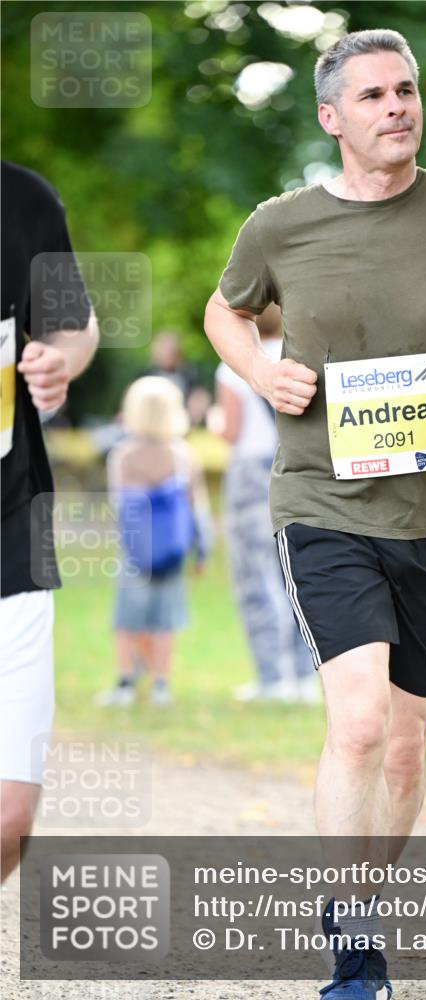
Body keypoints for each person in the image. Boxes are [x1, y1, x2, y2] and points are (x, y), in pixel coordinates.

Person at [204, 29, 426, 998]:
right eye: (372, 97)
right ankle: (357, 954)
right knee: (355, 724)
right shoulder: (279, 226)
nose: (396, 107)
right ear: (332, 117)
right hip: (321, 502)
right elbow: (224, 311)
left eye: (406, 91)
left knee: (404, 742)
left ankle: (362, 901)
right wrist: (260, 369)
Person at [1, 161, 99, 881]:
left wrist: (58, 363)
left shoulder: (23, 198)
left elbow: (74, 328)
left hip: (10, 536)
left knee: (10, 818)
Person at [212, 303, 316, 703]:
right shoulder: (300, 359)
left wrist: (213, 422)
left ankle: (272, 677)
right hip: (295, 471)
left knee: (254, 577)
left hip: (250, 475)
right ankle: (304, 675)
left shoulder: (236, 366)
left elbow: (231, 431)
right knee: (298, 574)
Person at [96, 376, 213, 708]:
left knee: (128, 617)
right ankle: (161, 683)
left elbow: (117, 504)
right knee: (165, 620)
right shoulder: (184, 456)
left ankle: (124, 681)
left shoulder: (121, 455)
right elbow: (198, 509)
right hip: (172, 550)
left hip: (135, 551)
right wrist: (202, 551)